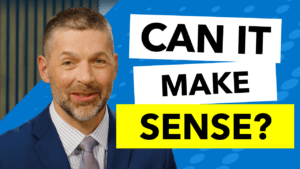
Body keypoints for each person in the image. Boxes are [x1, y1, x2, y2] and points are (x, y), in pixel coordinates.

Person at [0, 7, 177, 169]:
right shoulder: (6, 154)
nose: (86, 78)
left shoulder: (155, 148)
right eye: (68, 63)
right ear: (44, 70)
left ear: (115, 67)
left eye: (98, 61)